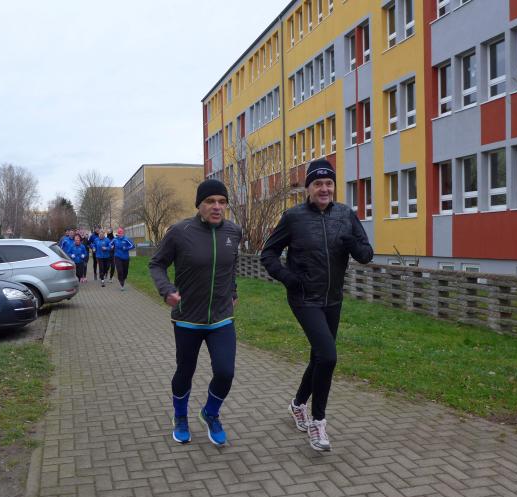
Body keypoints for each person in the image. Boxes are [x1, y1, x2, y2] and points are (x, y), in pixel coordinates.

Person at [260, 158, 373, 452]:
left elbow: (365, 254)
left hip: (332, 299)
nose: (324, 189)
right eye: (318, 183)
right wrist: (288, 278)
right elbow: (268, 254)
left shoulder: (346, 215)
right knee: (328, 356)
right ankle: (317, 422)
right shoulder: (293, 218)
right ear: (308, 188)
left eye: (329, 183)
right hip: (304, 298)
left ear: (334, 187)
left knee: (319, 357)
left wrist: (351, 242)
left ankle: (298, 404)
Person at [150, 180, 242, 447]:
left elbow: (232, 264)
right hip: (188, 318)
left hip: (221, 317)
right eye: (210, 201)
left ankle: (210, 413)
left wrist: (233, 290)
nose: (217, 207)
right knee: (185, 371)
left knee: (225, 372)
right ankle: (180, 416)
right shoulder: (180, 232)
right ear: (199, 205)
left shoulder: (234, 231)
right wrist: (166, 289)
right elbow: (156, 264)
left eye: (222, 202)